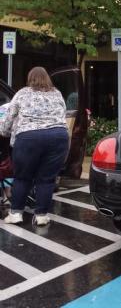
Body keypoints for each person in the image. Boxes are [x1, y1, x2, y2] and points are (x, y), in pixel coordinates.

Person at [1, 67, 69, 225]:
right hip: (58, 137)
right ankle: (41, 216)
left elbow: (9, 117)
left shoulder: (23, 93)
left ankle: (16, 214)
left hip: (29, 138)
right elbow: (63, 114)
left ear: (30, 78)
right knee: (46, 179)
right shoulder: (57, 93)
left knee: (23, 177)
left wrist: (4, 132)